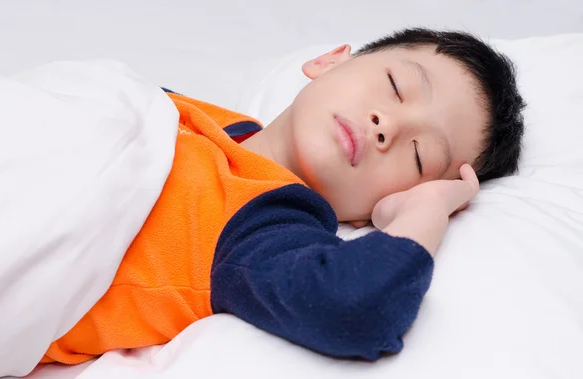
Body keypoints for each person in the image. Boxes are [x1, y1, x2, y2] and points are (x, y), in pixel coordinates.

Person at [41, 28, 525, 364]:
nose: (388, 125)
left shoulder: (263, 228)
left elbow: (357, 306)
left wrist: (427, 211)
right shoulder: (193, 114)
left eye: (419, 156)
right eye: (396, 87)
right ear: (331, 60)